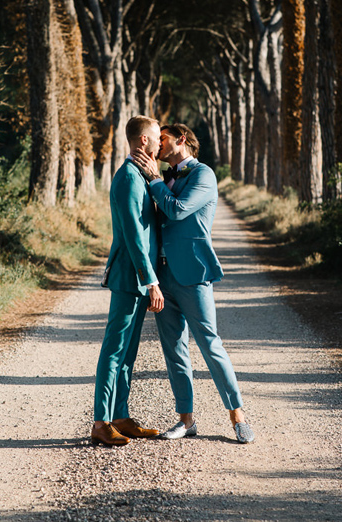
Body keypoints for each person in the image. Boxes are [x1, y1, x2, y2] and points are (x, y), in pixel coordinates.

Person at [131, 123, 254, 444]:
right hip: (161, 276)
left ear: (181, 140)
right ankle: (186, 420)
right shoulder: (158, 175)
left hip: (194, 274)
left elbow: (178, 209)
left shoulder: (203, 175)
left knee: (210, 345)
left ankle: (237, 414)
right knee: (173, 350)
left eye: (164, 139)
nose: (157, 145)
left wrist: (155, 180)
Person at [92, 115, 165, 446]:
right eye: (158, 140)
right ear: (144, 142)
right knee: (114, 350)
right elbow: (135, 237)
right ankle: (101, 421)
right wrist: (151, 281)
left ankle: (120, 416)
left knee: (129, 354)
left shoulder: (143, 176)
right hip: (128, 277)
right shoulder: (127, 180)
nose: (162, 145)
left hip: (138, 280)